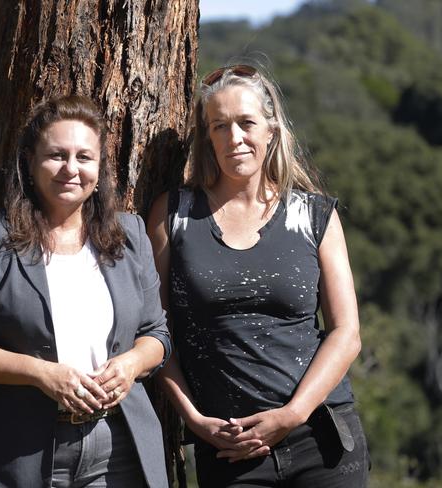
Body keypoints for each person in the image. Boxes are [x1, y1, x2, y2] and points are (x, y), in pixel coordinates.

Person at [147, 65, 369, 487]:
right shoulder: (173, 215)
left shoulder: (314, 215)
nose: (235, 138)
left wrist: (291, 414)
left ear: (271, 129)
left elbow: (347, 333)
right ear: (207, 137)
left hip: (320, 440)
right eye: (220, 126)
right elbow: (154, 332)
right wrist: (194, 420)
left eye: (246, 123)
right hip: (229, 448)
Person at [0, 94, 170, 487]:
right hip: (21, 452)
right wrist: (41, 374)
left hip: (120, 449)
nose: (71, 169)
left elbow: (157, 334)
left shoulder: (130, 235)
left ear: (100, 167)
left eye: (84, 157)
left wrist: (130, 365)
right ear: (29, 162)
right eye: (57, 155)